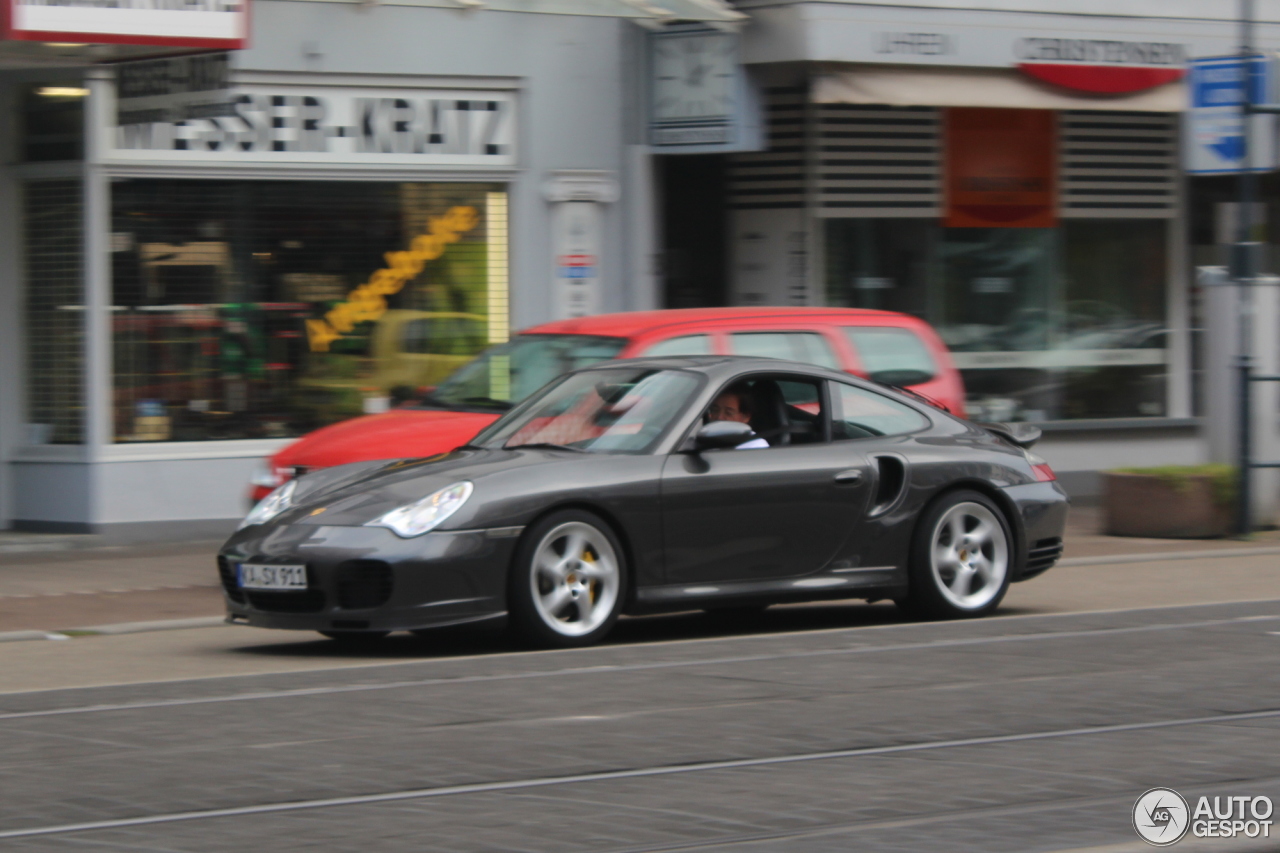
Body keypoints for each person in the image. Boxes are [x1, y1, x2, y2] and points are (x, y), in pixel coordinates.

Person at [707, 384, 770, 449]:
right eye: (715, 410)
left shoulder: (755, 446)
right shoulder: (703, 440)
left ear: (745, 417)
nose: (719, 417)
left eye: (728, 413)